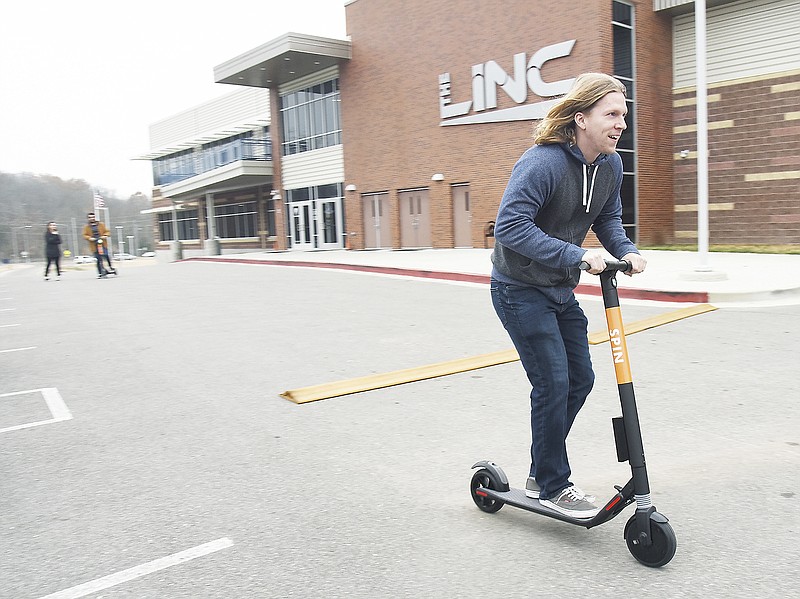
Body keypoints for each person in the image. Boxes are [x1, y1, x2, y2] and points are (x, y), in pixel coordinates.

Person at [490, 73, 647, 520]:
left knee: (579, 379)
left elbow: (609, 219)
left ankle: (542, 470)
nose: (621, 124)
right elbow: (511, 227)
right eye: (611, 114)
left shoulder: (610, 166)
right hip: (518, 289)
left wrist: (627, 251)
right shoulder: (542, 163)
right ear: (581, 118)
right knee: (553, 382)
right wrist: (577, 256)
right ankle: (554, 486)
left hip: (558, 290)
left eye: (624, 116)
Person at [82, 212, 117, 278]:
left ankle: (110, 266)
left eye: (93, 217)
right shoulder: (86, 227)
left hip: (102, 243)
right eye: (90, 217)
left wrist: (105, 236)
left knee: (106, 255)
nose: (92, 219)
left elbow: (107, 231)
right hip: (94, 244)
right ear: (88, 219)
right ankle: (101, 272)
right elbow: (84, 235)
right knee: (98, 259)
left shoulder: (101, 224)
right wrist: (90, 238)